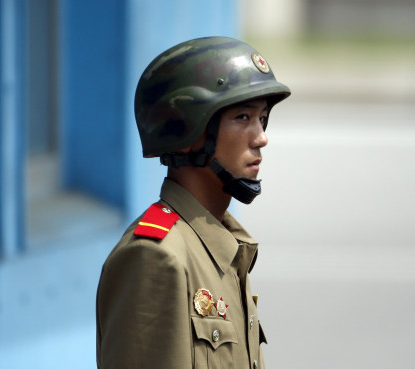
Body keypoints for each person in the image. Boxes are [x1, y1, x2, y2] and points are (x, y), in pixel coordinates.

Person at [96, 36, 291, 369]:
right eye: (242, 117)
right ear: (185, 133)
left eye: (261, 118)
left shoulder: (223, 247)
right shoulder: (156, 256)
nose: (261, 137)